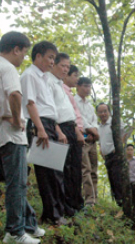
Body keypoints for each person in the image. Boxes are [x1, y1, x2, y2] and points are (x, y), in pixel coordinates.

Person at [0, 31, 44, 244]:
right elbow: (15, 95)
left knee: (14, 182)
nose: (23, 58)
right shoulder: (8, 69)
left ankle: (29, 223)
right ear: (16, 49)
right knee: (17, 185)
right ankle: (15, 232)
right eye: (23, 53)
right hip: (10, 135)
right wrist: (17, 119)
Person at [21, 41, 68, 226]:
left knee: (55, 171)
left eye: (54, 58)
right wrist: (40, 129)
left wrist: (55, 128)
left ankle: (57, 212)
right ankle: (52, 215)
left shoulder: (44, 78)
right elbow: (30, 104)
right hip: (39, 125)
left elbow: (49, 108)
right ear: (38, 56)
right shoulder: (29, 75)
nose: (52, 62)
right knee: (46, 173)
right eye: (50, 57)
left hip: (49, 124)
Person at [48, 53, 85, 216]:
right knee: (64, 170)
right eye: (63, 66)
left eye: (68, 67)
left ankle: (76, 203)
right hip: (60, 128)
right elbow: (49, 110)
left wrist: (77, 130)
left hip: (71, 127)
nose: (65, 69)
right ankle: (66, 205)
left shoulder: (61, 86)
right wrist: (58, 130)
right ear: (54, 64)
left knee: (75, 168)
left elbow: (70, 112)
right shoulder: (48, 82)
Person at [96, 103, 127, 206]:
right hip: (107, 157)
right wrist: (100, 148)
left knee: (117, 180)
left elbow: (126, 131)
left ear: (109, 111)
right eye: (100, 112)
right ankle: (119, 205)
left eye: (105, 111)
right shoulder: (99, 126)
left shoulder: (114, 122)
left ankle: (123, 204)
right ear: (97, 113)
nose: (103, 114)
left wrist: (120, 146)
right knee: (112, 181)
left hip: (116, 156)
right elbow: (100, 139)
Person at [75, 77, 99, 206]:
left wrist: (94, 132)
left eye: (89, 86)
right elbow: (80, 120)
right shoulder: (74, 101)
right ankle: (89, 199)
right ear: (78, 86)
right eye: (85, 86)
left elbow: (94, 120)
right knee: (86, 169)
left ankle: (95, 197)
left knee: (94, 169)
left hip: (92, 140)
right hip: (82, 139)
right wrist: (92, 131)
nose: (87, 89)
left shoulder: (89, 105)